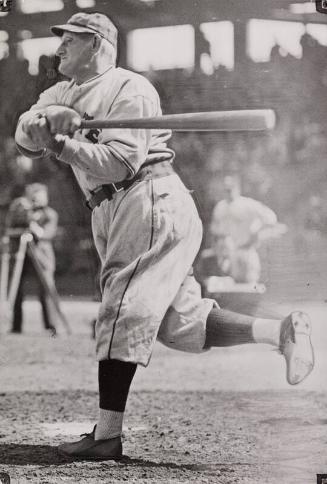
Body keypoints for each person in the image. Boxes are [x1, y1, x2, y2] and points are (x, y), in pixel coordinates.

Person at [14, 12, 314, 461]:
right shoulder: (62, 90)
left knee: (119, 310)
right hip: (114, 209)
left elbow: (119, 164)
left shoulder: (130, 89)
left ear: (95, 45)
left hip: (147, 196)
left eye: (70, 42)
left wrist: (61, 144)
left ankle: (107, 435)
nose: (59, 49)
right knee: (178, 322)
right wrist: (38, 126)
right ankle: (280, 332)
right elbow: (24, 134)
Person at [6, 183, 58, 335]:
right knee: (17, 290)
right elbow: (10, 228)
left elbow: (47, 234)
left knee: (46, 291)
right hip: (22, 255)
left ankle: (51, 327)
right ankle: (16, 327)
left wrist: (33, 226)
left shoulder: (50, 214)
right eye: (34, 198)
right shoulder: (20, 211)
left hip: (42, 257)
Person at [210, 175, 282, 284]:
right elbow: (215, 229)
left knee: (249, 283)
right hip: (230, 253)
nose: (228, 192)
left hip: (247, 250)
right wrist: (221, 248)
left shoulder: (247, 204)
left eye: (231, 188)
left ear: (237, 188)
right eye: (226, 189)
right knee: (231, 285)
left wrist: (257, 230)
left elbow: (271, 217)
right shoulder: (220, 207)